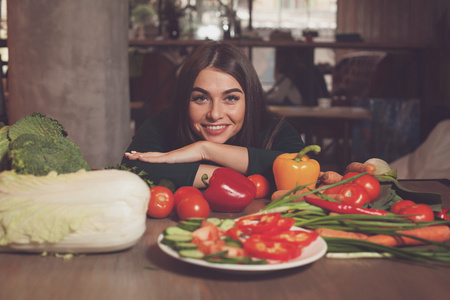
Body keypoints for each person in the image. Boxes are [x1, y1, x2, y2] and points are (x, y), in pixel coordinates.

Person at [123, 41, 305, 189]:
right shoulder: (162, 124)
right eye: (201, 98)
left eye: (231, 98)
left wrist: (205, 150)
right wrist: (233, 176)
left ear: (249, 100)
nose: (215, 114)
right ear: (184, 99)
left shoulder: (274, 128)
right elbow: (132, 168)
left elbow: (304, 171)